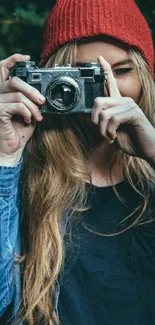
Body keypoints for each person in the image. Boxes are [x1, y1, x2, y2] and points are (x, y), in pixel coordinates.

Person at [0, 0, 155, 324]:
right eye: (85, 74)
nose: (106, 88)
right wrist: (5, 159)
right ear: (48, 79)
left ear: (145, 75)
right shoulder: (20, 170)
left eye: (122, 71)